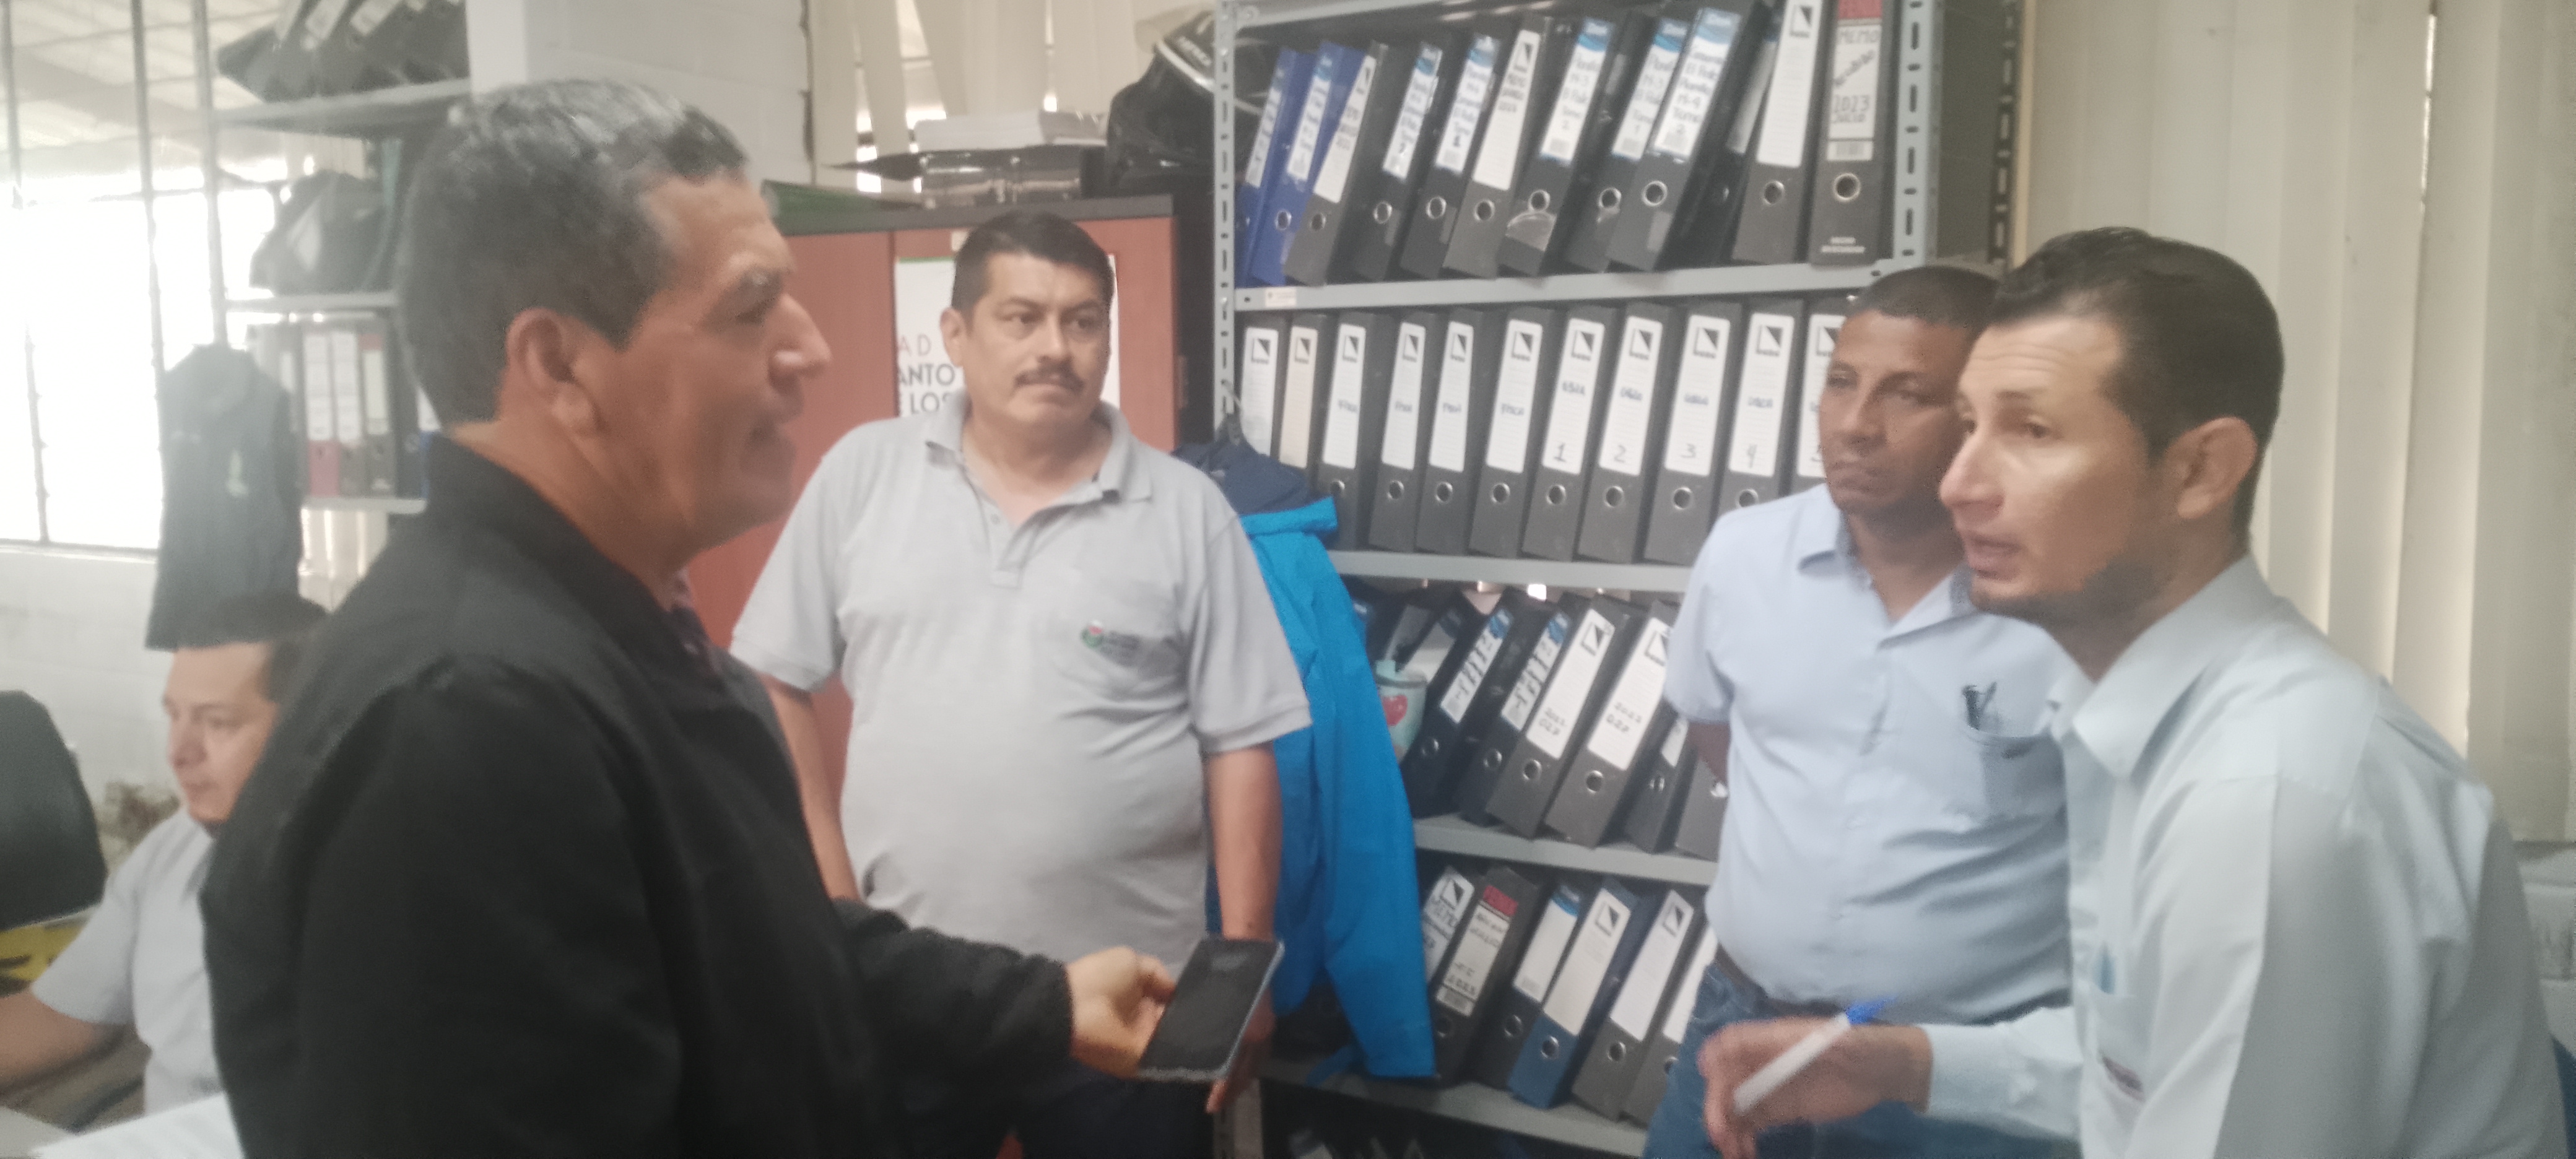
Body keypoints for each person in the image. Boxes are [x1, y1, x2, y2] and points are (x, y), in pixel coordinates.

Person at [199, 81, 1178, 1159]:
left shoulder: (624, 639)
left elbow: (770, 950)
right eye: (751, 310)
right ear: (559, 365)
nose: (810, 349)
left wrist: (1042, 1005)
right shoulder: (464, 724)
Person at [1698, 227, 2565, 1158]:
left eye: (2030, 432)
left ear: (2200, 470)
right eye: (1969, 424)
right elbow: (2138, 1064)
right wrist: (1904, 1064)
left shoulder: (2263, 799)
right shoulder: (2147, 722)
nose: (1958, 483)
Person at [731, 208, 1310, 1157]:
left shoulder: (1186, 512)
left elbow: (1241, 741)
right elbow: (772, 680)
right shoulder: (863, 476)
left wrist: (1241, 971)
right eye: (1022, 318)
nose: (1056, 348)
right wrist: (836, 910)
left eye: (1083, 321)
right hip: (920, 987)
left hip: (1135, 999)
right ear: (955, 334)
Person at [1643, 267, 2072, 1159]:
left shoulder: (2057, 603)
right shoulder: (1744, 556)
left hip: (1959, 1073)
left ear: (1979, 417)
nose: (1854, 424)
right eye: (1841, 382)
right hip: (1746, 1027)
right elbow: (1718, 730)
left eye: (1905, 394)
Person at [0, 593, 323, 1114]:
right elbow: (62, 1017)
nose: (179, 751)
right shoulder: (176, 847)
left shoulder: (380, 883)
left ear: (312, 727)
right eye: (175, 716)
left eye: (218, 722)